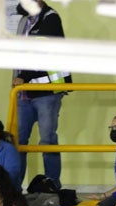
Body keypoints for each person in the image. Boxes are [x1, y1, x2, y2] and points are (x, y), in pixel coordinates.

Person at [10, 0, 70, 190]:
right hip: (24, 92)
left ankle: (52, 184)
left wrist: (23, 77)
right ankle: (13, 188)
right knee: (19, 141)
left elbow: (44, 53)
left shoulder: (50, 19)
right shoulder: (24, 21)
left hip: (46, 92)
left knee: (47, 140)